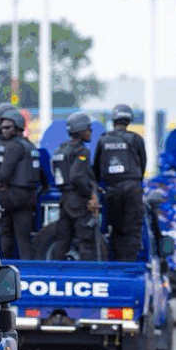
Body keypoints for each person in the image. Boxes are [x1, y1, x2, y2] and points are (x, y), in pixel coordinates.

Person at [0, 110, 39, 259]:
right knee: (22, 238)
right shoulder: (31, 146)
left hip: (13, 196)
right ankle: (27, 273)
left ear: (18, 127)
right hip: (28, 198)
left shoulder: (13, 146)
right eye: (2, 127)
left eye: (7, 127)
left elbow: (3, 175)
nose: (2, 130)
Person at [93, 104, 146, 262]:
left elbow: (96, 166)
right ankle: (128, 263)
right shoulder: (136, 139)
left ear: (114, 119)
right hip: (132, 188)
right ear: (129, 119)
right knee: (132, 230)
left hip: (111, 189)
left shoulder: (103, 139)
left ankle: (114, 260)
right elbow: (142, 165)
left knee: (114, 229)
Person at [50, 112, 100, 261]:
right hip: (78, 201)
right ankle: (88, 276)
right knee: (86, 241)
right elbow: (77, 177)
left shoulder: (61, 149)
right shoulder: (82, 151)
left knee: (62, 240)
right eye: (89, 129)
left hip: (64, 199)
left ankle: (56, 274)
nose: (90, 132)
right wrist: (90, 193)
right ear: (81, 130)